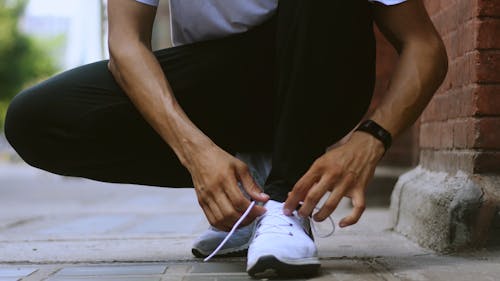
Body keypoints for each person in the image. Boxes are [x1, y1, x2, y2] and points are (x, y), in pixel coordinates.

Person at [4, 0, 447, 278]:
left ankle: (282, 204)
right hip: (220, 84)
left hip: (322, 70)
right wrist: (197, 153)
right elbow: (125, 43)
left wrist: (370, 140)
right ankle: (254, 183)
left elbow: (424, 46)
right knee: (36, 119)